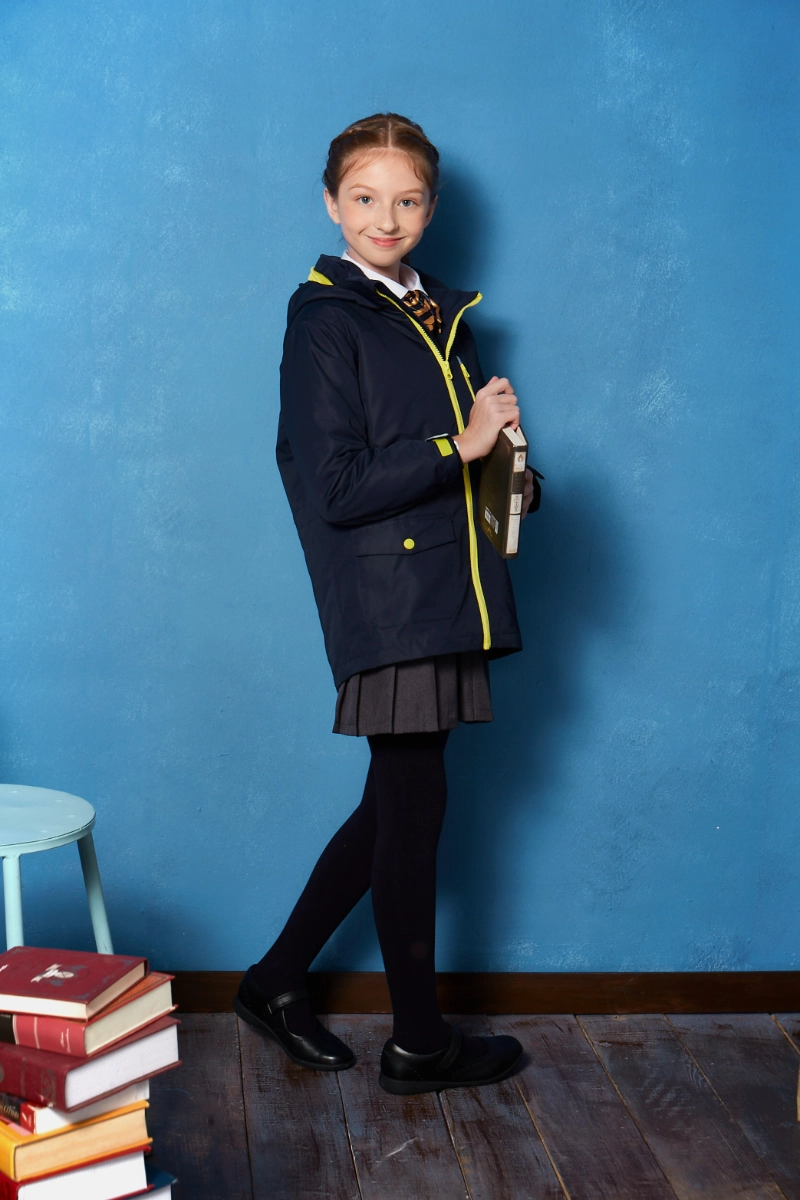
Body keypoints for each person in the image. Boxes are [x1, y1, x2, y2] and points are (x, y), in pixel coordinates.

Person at [235, 113, 536, 1095]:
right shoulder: (324, 321)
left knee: (399, 802)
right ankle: (418, 1041)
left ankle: (275, 981)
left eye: (406, 200)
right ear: (331, 203)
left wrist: (512, 475)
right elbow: (336, 484)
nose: (385, 217)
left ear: (431, 208)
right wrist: (461, 446)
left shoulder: (439, 315)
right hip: (390, 592)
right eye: (364, 197)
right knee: (411, 804)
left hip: (448, 583)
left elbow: (466, 458)